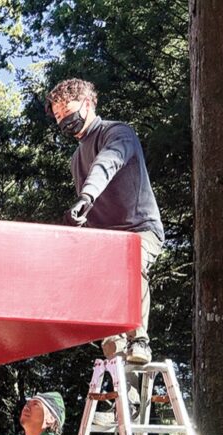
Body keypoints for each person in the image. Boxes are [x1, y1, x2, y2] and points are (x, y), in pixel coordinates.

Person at [47, 78, 164, 365]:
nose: (63, 120)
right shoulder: (76, 159)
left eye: (67, 111)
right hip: (106, 242)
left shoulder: (117, 133)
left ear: (87, 104)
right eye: (58, 116)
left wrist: (86, 196)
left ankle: (140, 341)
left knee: (130, 262)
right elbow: (88, 216)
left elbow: (107, 163)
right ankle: (117, 355)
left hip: (140, 230)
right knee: (100, 287)